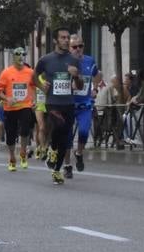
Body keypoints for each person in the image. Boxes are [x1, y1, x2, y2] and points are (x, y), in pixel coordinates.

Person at [35, 28, 83, 185]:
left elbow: (80, 85)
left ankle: (57, 169)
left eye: (67, 37)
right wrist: (42, 87)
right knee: (58, 126)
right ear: (55, 40)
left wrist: (75, 76)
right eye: (62, 37)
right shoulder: (46, 59)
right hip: (53, 102)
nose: (66, 40)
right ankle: (51, 149)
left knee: (65, 138)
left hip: (68, 102)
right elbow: (33, 77)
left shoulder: (74, 60)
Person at [66, 34, 101, 175]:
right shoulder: (65, 62)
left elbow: (98, 74)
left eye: (80, 46)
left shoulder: (89, 60)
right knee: (67, 136)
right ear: (69, 48)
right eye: (74, 47)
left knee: (84, 132)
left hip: (84, 105)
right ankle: (67, 166)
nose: (78, 49)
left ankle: (79, 153)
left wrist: (95, 88)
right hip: (68, 105)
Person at [0, 47, 35, 171]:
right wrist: (7, 98)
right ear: (14, 56)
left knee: (25, 129)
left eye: (23, 54)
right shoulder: (6, 72)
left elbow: (35, 87)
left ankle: (23, 152)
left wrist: (34, 100)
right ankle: (12, 157)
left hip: (25, 105)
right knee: (10, 134)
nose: (21, 56)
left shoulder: (30, 72)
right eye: (18, 54)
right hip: (10, 107)